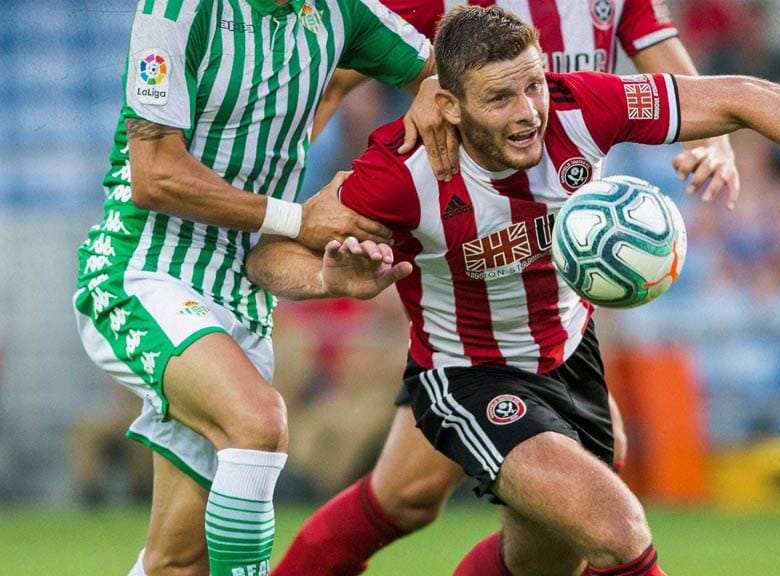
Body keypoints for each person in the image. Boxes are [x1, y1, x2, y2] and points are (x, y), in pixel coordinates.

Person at [248, 6, 780, 575]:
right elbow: (270, 255)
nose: (530, 110)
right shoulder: (399, 174)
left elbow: (752, 96)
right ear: (448, 106)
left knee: (545, 558)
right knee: (615, 528)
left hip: (571, 356)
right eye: (501, 98)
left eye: (534, 85)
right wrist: (324, 278)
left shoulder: (578, 105)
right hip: (468, 376)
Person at [271, 1, 742, 574]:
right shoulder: (441, 8)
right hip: (469, 290)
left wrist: (712, 137)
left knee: (581, 478)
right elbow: (347, 67)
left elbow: (663, 54)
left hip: (558, 271)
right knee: (415, 497)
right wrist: (422, 89)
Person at [69, 0, 451, 573]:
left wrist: (433, 89)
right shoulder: (174, 13)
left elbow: (447, 70)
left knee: (180, 560)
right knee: (259, 422)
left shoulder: (341, 12)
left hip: (241, 296)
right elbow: (155, 176)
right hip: (141, 271)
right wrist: (298, 221)